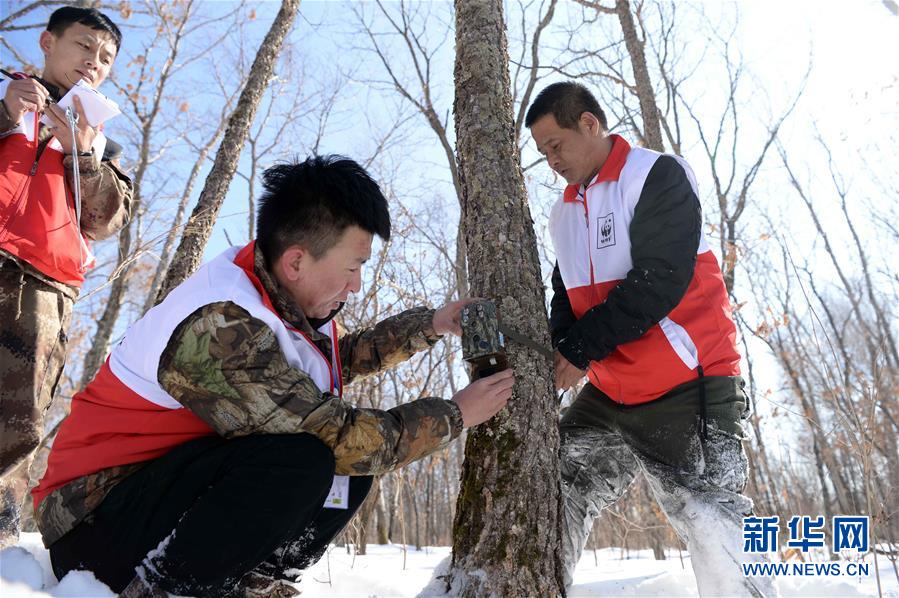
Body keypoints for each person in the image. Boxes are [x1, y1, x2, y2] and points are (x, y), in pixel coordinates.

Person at [32, 155, 514, 597]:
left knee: (345, 473)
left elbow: (336, 356)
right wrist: (456, 414)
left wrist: (430, 325)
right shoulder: (220, 324)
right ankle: (168, 588)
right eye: (352, 267)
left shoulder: (278, 293)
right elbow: (339, 437)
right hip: (91, 524)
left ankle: (254, 580)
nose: (356, 284)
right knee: (311, 457)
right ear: (297, 261)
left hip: (155, 498)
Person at [525, 82, 774, 596]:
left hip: (687, 383)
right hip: (611, 393)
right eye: (542, 152)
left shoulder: (655, 175)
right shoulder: (563, 212)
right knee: (556, 487)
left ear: (589, 124)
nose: (550, 160)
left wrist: (577, 350)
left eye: (556, 145)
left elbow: (660, 277)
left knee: (709, 522)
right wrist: (562, 345)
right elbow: (563, 294)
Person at [0, 6, 132, 548]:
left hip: (42, 290)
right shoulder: (8, 98)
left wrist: (81, 151)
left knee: (16, 429)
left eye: (105, 58)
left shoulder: (102, 141)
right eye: (84, 46)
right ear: (48, 42)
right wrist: (5, 116)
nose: (93, 63)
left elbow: (108, 221)